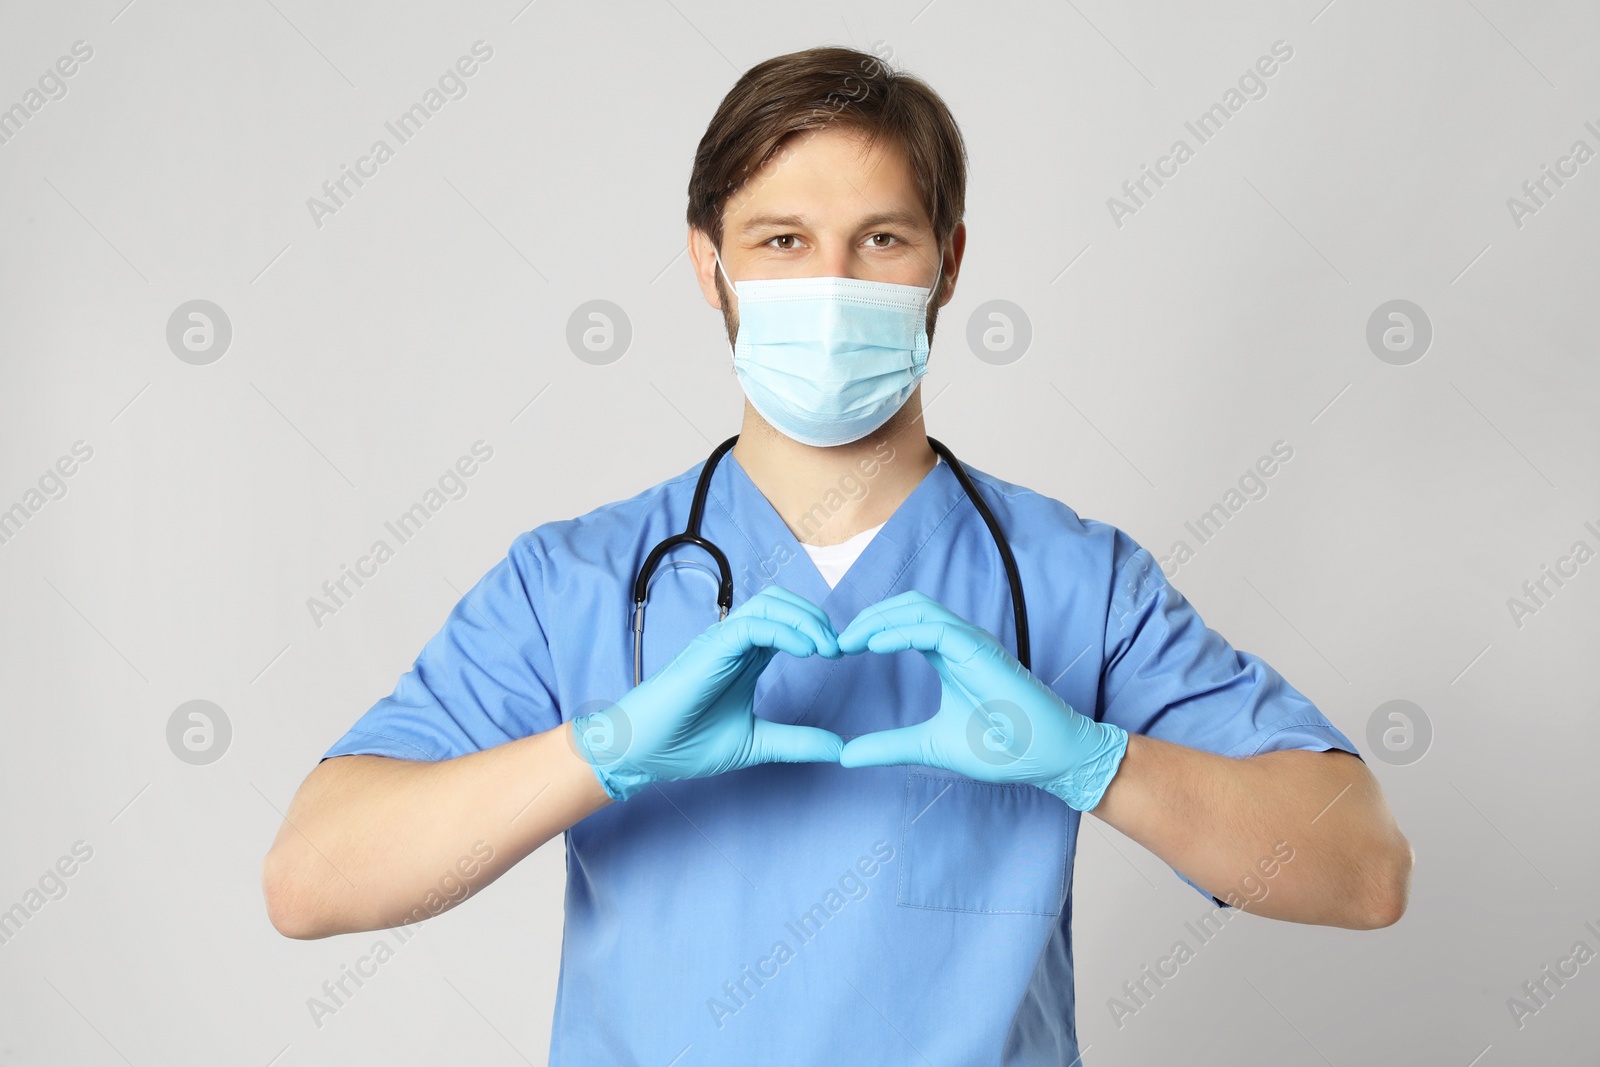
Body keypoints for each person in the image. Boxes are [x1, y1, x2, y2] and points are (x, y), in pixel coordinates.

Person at [262, 45, 1412, 1065]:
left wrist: (1094, 763)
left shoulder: (1071, 579)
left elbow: (1363, 870)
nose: (831, 285)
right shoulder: (579, 580)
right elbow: (312, 879)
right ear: (709, 267)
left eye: (878, 239)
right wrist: (603, 750)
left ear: (946, 265)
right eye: (781, 241)